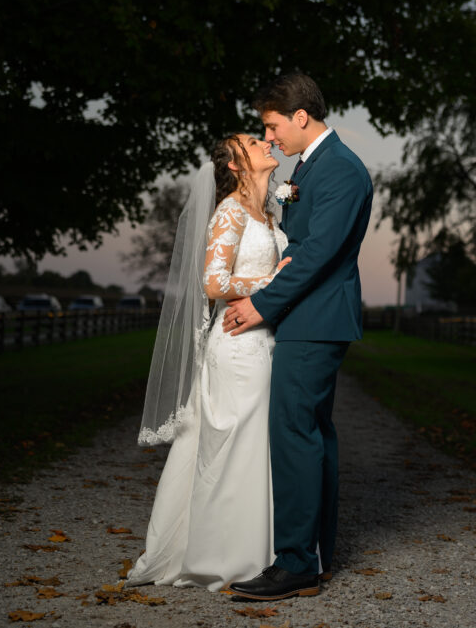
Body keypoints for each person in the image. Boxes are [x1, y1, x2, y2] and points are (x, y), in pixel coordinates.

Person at [223, 72, 373, 601]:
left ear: (301, 116)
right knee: (313, 435)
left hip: (316, 320)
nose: (270, 138)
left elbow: (315, 253)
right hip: (307, 318)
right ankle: (317, 556)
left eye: (273, 124)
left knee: (292, 433)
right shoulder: (312, 166)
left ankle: (293, 564)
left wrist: (260, 305)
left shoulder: (342, 171)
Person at [125, 133, 292, 591]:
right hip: (238, 345)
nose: (266, 142)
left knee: (261, 447)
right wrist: (277, 278)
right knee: (234, 447)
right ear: (237, 165)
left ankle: (267, 552)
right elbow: (214, 284)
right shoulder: (230, 212)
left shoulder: (269, 212)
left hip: (266, 341)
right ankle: (226, 557)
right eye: (254, 141)